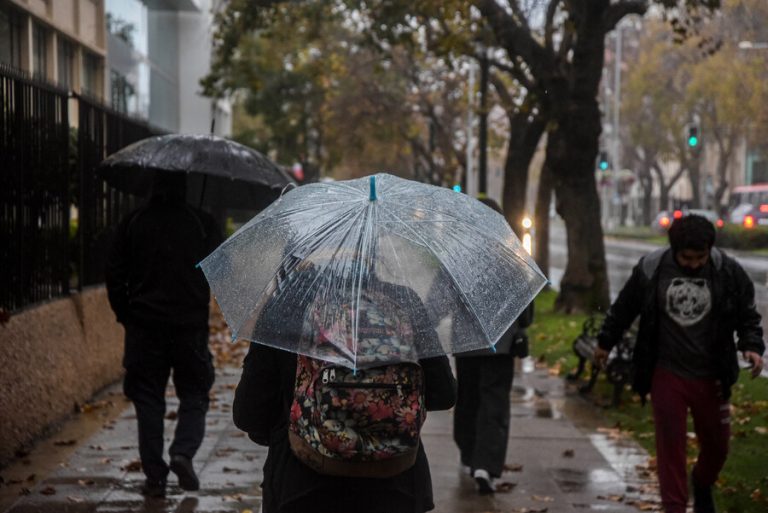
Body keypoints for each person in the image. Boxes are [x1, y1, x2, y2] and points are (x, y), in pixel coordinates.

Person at [233, 267, 456, 513]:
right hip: (397, 485)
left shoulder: (285, 306)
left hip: (302, 487)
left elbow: (249, 412)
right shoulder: (404, 301)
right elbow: (444, 393)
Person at [594, 214, 764, 513]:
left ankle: (702, 481)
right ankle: (674, 506)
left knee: (717, 447)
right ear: (674, 250)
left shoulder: (727, 271)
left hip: (712, 373)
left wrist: (751, 346)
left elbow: (747, 314)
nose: (695, 264)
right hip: (666, 372)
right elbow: (624, 308)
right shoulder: (652, 269)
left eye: (701, 257)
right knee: (670, 446)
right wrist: (605, 343)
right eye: (688, 258)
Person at [106, 171, 222, 497]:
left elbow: (114, 273)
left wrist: (126, 315)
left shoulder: (133, 222)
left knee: (147, 399)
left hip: (144, 327)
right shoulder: (201, 222)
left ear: (152, 184)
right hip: (189, 329)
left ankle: (155, 476)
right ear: (184, 185)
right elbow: (221, 267)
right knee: (195, 394)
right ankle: (182, 453)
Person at [445, 197, 534, 494]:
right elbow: (527, 311)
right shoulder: (513, 256)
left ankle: (469, 454)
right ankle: (486, 464)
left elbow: (441, 299)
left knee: (468, 399)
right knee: (494, 402)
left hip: (467, 343)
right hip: (501, 343)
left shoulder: (458, 256)